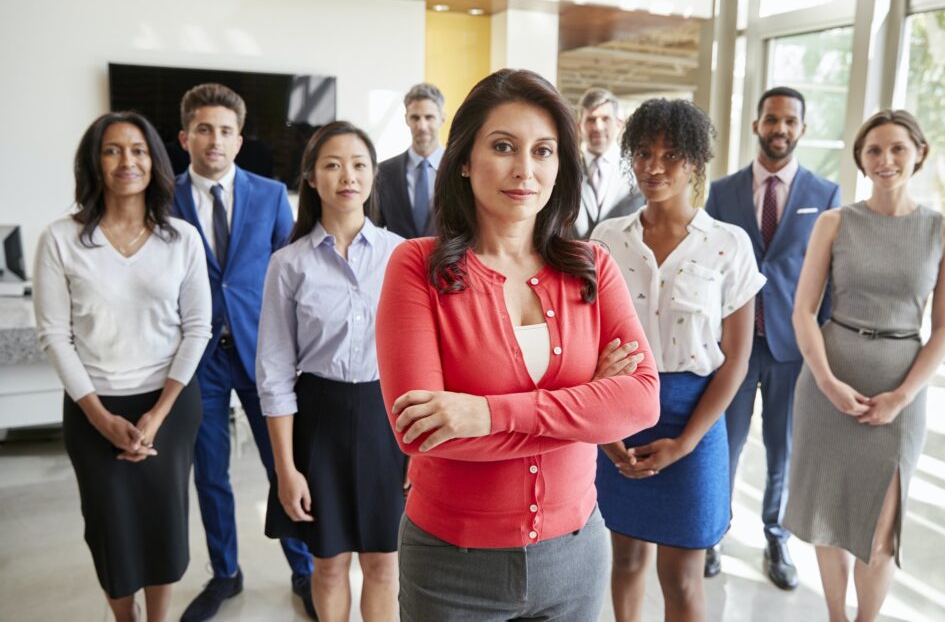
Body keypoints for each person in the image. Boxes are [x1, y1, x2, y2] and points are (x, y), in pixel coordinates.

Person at [375, 68, 660, 621]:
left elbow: (642, 401)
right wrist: (587, 403)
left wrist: (484, 414)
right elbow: (421, 434)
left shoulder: (591, 267)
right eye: (503, 146)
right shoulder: (418, 266)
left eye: (544, 151)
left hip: (576, 555)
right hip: (451, 566)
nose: (525, 170)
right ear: (463, 158)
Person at [785, 110, 945, 622]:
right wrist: (826, 382)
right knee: (827, 517)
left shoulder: (944, 231)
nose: (886, 160)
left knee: (882, 529)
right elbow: (803, 310)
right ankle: (836, 616)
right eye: (874, 151)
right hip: (828, 382)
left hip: (900, 388)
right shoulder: (835, 222)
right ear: (861, 161)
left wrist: (903, 395)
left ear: (919, 154)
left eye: (897, 149)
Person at [33, 111, 211, 622]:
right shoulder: (61, 239)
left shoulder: (182, 239)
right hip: (95, 406)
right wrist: (99, 417)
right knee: (110, 526)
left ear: (154, 162)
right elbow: (55, 336)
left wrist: (158, 414)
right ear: (95, 162)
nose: (126, 161)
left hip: (169, 405)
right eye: (112, 150)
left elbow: (196, 328)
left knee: (163, 523)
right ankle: (124, 616)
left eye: (137, 150)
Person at [592, 99, 763, 622]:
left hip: (697, 415)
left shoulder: (728, 245)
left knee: (683, 577)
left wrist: (687, 441)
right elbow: (588, 344)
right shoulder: (605, 241)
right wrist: (605, 431)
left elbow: (736, 360)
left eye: (671, 154)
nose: (654, 166)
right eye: (643, 153)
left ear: (695, 162)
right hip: (620, 410)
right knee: (623, 558)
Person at [171, 83, 314, 621]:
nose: (216, 140)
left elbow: (290, 271)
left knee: (284, 466)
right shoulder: (166, 196)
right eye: (204, 129)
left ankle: (302, 569)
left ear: (239, 138)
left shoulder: (271, 193)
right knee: (210, 473)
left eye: (226, 131)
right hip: (196, 357)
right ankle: (225, 574)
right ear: (186, 137)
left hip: (261, 353)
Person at [257, 121, 406, 622]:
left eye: (360, 164)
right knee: (327, 563)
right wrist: (285, 469)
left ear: (372, 177)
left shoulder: (402, 255)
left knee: (385, 561)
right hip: (317, 421)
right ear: (313, 179)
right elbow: (274, 372)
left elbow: (425, 361)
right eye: (333, 164)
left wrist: (425, 452)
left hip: (389, 418)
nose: (348, 175)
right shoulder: (288, 264)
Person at [704, 86, 841, 586]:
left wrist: (821, 345)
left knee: (782, 449)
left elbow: (830, 274)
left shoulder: (824, 195)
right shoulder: (722, 192)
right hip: (734, 346)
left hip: (791, 348)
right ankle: (713, 533)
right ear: (757, 124)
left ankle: (776, 538)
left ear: (801, 129)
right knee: (726, 444)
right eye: (771, 119)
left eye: (789, 121)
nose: (780, 129)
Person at [375, 82, 446, 238]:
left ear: (442, 118)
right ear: (406, 119)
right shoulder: (383, 172)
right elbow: (376, 231)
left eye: (429, 117)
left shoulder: (462, 168)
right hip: (399, 260)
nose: (422, 125)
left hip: (450, 260)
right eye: (415, 117)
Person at [573, 87, 643, 238]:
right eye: (591, 120)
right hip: (573, 260)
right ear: (579, 127)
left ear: (619, 124)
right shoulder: (565, 171)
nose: (598, 127)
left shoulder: (638, 170)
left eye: (605, 119)